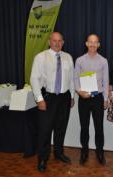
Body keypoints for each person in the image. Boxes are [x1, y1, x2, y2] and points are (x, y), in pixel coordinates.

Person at [30, 32, 75, 172]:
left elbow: (71, 79)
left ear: (63, 42)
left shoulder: (68, 57)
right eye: (54, 41)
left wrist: (72, 96)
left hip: (64, 97)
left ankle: (58, 153)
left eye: (60, 41)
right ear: (49, 42)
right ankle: (43, 158)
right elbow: (34, 79)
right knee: (45, 130)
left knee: (61, 128)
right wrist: (39, 99)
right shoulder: (41, 57)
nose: (57, 43)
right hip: (48, 97)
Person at [74, 34, 109, 165]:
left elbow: (106, 81)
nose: (93, 45)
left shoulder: (103, 61)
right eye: (90, 42)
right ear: (86, 44)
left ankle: (100, 152)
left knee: (99, 127)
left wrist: (105, 99)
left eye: (95, 43)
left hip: (97, 98)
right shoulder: (79, 60)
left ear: (99, 45)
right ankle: (84, 151)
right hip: (84, 98)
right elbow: (75, 78)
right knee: (84, 127)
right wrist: (79, 91)